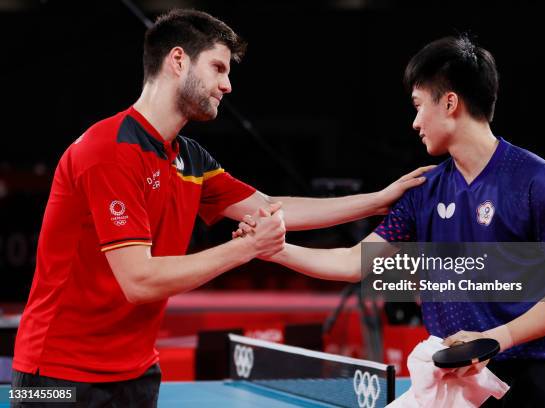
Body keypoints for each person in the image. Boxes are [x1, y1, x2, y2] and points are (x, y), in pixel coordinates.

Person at [10, 9, 430, 407]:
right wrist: (245, 249)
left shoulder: (188, 159)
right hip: (57, 378)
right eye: (219, 67)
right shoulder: (109, 151)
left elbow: (271, 207)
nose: (227, 85)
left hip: (136, 372)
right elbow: (138, 281)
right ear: (178, 60)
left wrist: (379, 200)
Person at [236, 36, 545, 406]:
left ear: (450, 103)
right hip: (456, 377)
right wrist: (273, 250)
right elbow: (354, 262)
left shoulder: (540, 182)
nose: (415, 122)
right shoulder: (423, 191)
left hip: (538, 378)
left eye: (418, 105)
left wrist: (496, 337)